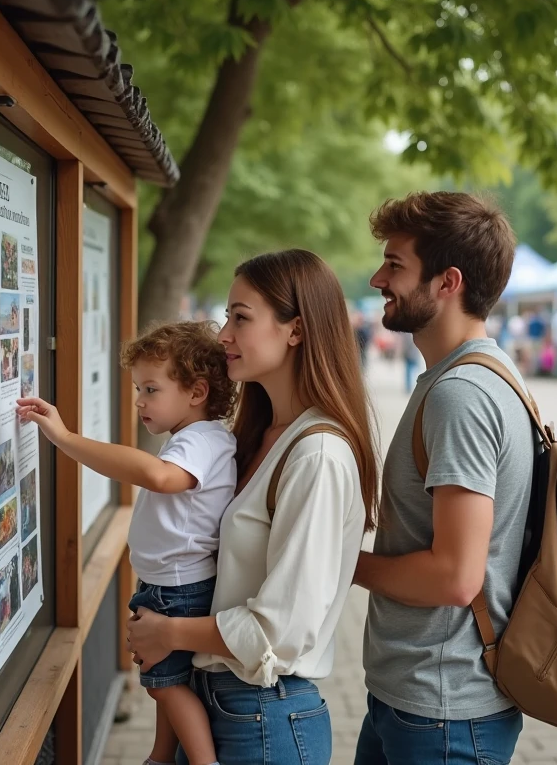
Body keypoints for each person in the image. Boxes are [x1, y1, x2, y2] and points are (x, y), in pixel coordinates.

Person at [125, 250, 378, 765]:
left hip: (264, 715)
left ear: (296, 330)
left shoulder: (317, 454)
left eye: (240, 318)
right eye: (227, 317)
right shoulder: (253, 436)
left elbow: (282, 630)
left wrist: (167, 631)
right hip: (220, 703)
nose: (223, 335)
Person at [354, 191, 530, 765]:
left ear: (447, 282)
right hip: (418, 700)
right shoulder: (475, 374)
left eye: (395, 265)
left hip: (444, 712)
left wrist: (342, 561)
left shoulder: (461, 394)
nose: (379, 278)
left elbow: (455, 577)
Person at [17, 320, 239, 765]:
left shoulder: (202, 440)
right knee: (167, 680)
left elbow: (158, 477)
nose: (139, 400)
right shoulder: (196, 438)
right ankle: (161, 756)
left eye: (151, 389)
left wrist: (66, 439)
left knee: (165, 684)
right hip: (171, 583)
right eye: (138, 388)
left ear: (196, 393)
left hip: (177, 588)